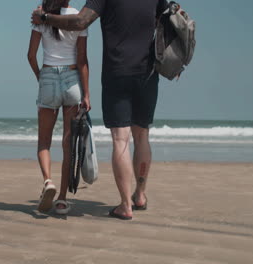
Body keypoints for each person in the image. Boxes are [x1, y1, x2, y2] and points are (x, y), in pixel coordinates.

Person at [32, 0, 168, 220]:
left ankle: (125, 205)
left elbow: (81, 20)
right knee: (142, 135)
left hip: (118, 71)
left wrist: (45, 18)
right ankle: (140, 195)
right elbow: (170, 17)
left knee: (121, 140)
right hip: (148, 72)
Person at [28, 0, 91, 215]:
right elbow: (82, 58)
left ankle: (48, 181)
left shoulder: (41, 17)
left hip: (48, 75)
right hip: (72, 79)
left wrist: (41, 76)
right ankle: (62, 200)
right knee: (67, 144)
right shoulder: (79, 17)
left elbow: (30, 54)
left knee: (44, 142)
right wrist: (87, 93)